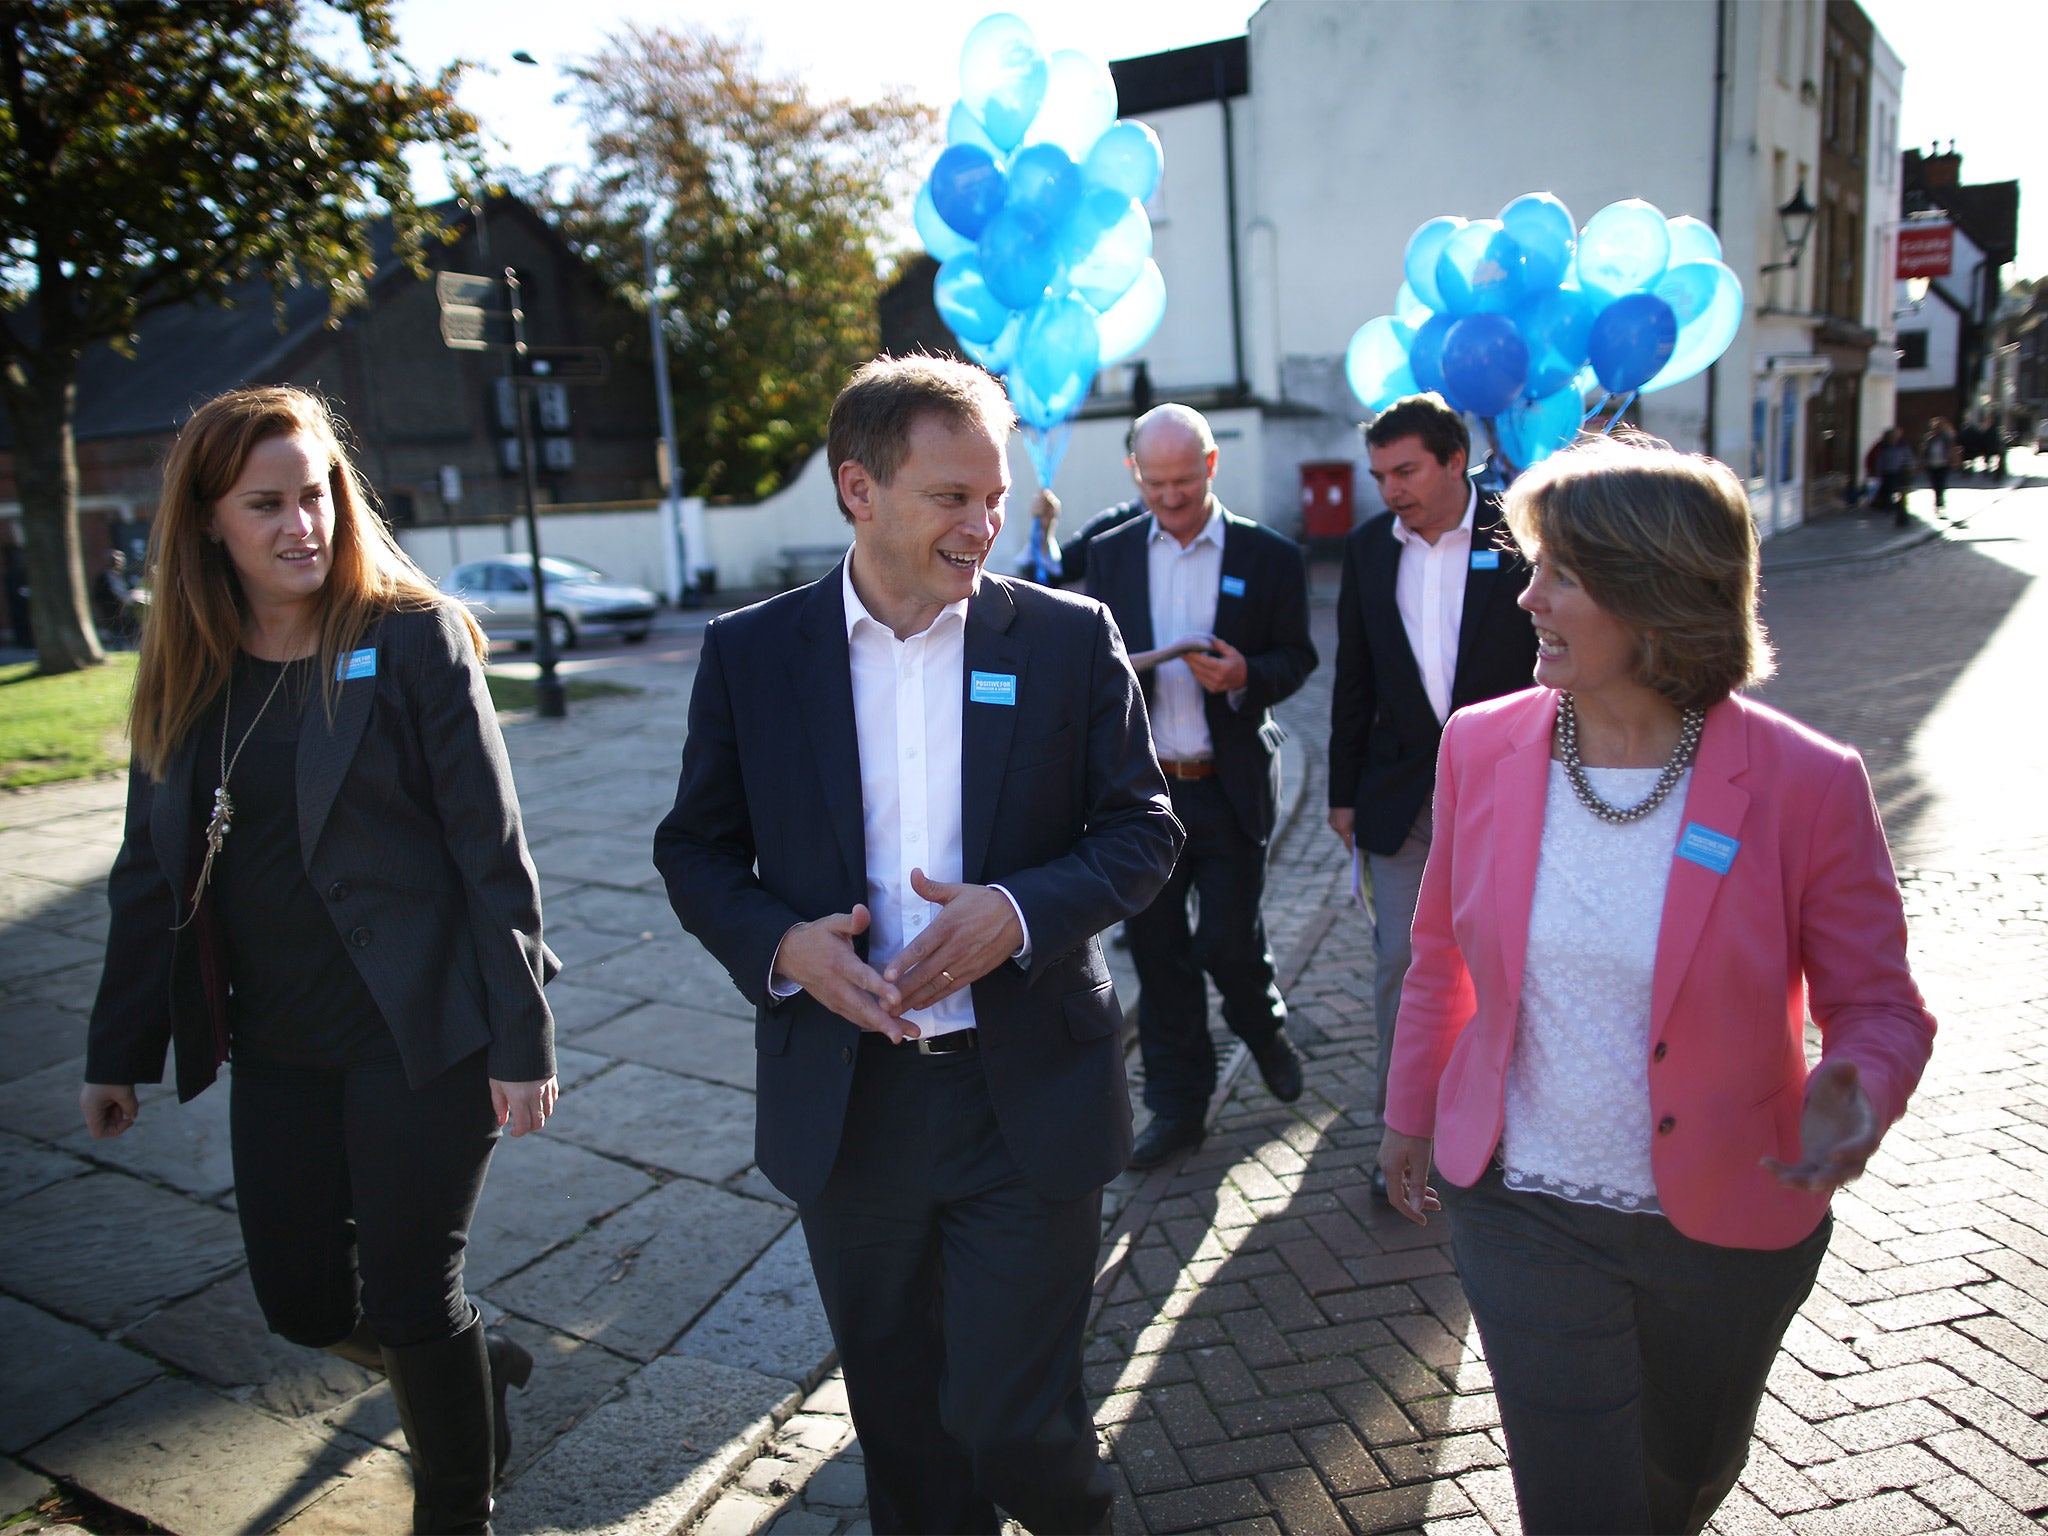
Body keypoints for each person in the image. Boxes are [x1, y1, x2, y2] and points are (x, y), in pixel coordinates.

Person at [653, 356, 1181, 1535]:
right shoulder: (752, 653)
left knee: (1014, 1425)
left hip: (1023, 1097)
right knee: (904, 1442)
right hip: (850, 1116)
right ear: (859, 490)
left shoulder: (1063, 637)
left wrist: (1021, 910)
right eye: (951, 497)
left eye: (992, 495)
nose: (983, 523)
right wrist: (785, 947)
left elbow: (1143, 830)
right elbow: (693, 851)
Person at [1378, 436, 1936, 1536]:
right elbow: (1438, 947)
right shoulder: (1480, 746)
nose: (1527, 596)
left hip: (1726, 1220)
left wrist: (1855, 1090)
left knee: (1682, 1474)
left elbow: (1876, 1005)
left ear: (1658, 595)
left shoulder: (1802, 783)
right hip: (1521, 1202)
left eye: (1562, 576)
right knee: (1576, 1501)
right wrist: (1406, 1113)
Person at [81, 386, 559, 1536]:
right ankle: (466, 1364)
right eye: (268, 505)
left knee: (407, 1292)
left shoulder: (409, 638)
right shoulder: (186, 676)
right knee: (301, 1305)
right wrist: (117, 1052)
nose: (304, 526)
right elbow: (150, 877)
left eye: (317, 496)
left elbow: (490, 854)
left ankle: (456, 1502)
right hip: (281, 1043)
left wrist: (521, 1036)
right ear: (207, 522)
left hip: (422, 1035)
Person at [1086, 403, 1319, 1169]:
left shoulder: (1271, 554)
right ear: (1134, 475)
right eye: (1155, 483)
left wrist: (1249, 674)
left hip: (1229, 787)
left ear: (1212, 467)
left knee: (1224, 939)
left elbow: (1299, 658)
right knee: (1158, 954)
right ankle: (1178, 1108)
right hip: (1144, 799)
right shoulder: (1111, 554)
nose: (1172, 497)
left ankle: (1261, 1023)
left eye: (1184, 481)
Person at [1327, 393, 1537, 1198]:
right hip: (1403, 794)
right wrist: (1342, 793)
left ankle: (1502, 1118)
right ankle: (1405, 1125)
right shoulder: (1367, 551)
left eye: (1406, 470)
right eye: (1380, 475)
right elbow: (1355, 678)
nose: (1392, 490)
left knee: (1506, 960)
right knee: (1401, 960)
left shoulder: (1519, 533)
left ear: (1457, 461)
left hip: (1510, 790)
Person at [1873, 425, 1916, 526]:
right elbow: (1880, 459)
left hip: (1901, 471)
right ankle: (1888, 507)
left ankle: (1900, 511)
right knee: (1888, 489)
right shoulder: (1884, 446)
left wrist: (1910, 467)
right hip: (1888, 471)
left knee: (1900, 491)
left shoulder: (1903, 445)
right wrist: (1878, 469)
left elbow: (1909, 458)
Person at [1921, 416, 1956, 512]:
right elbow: (1924, 450)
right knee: (1935, 484)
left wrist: (1952, 459)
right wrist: (1923, 461)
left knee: (1941, 483)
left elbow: (1952, 449)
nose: (1938, 429)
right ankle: (1938, 501)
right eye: (1936, 427)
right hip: (1932, 464)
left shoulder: (1946, 438)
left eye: (1940, 427)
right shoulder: (1929, 439)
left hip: (1943, 464)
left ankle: (1939, 501)